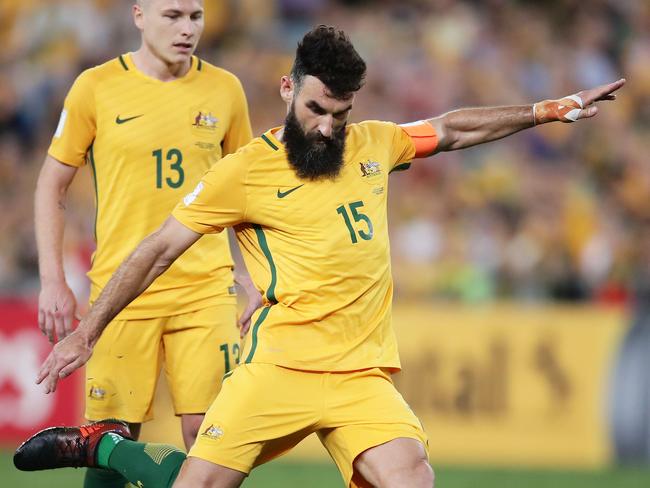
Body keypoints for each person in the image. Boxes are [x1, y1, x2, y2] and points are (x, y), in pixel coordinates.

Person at [17, 25, 625, 488]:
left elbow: (455, 128)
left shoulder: (376, 144)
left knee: (414, 479)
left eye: (340, 114)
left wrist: (548, 108)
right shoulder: (244, 171)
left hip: (361, 373)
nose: (329, 128)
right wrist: (89, 331)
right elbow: (156, 251)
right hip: (277, 368)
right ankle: (101, 445)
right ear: (287, 90)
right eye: (316, 110)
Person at [33, 1, 259, 487]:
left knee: (210, 436)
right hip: (122, 290)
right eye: (172, 15)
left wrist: (255, 274)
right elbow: (52, 184)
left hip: (204, 289)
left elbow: (248, 190)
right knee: (109, 437)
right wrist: (52, 279)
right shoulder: (96, 87)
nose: (187, 29)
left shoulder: (225, 90)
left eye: (195, 17)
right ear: (139, 15)